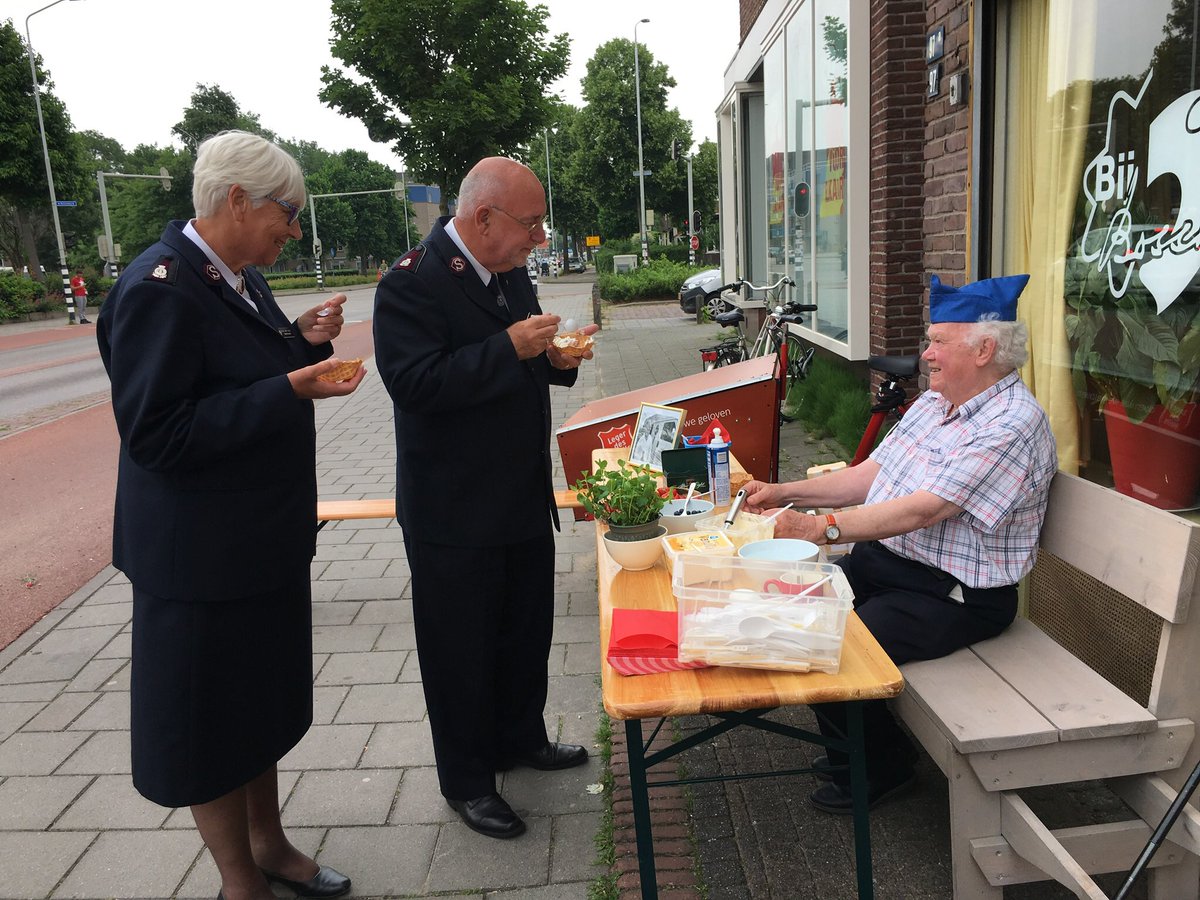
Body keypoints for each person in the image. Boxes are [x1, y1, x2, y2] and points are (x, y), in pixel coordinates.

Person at [96, 131, 364, 900]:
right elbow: (159, 432)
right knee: (207, 726)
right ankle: (237, 880)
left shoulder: (235, 277)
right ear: (237, 201)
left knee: (259, 706)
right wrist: (290, 388)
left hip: (257, 543)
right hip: (198, 559)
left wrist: (296, 342)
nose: (295, 229)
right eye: (289, 213)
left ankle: (271, 844)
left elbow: (232, 368)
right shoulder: (158, 286)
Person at [741, 273, 1057, 814]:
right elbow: (872, 474)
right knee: (798, 611)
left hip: (952, 595)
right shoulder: (939, 404)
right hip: (894, 567)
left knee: (836, 643)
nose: (926, 355)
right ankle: (855, 746)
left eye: (938, 341)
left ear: (984, 350)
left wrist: (820, 529)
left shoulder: (1012, 424)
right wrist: (783, 490)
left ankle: (879, 771)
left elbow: (924, 509)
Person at [373, 157, 599, 840]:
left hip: (519, 494)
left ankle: (519, 737)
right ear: (482, 219)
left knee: (523, 630)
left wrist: (555, 361)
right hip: (454, 507)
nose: (537, 237)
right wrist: (508, 347)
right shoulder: (409, 285)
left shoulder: (508, 270)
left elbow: (524, 359)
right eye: (529, 224)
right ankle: (468, 782)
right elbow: (416, 385)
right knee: (460, 649)